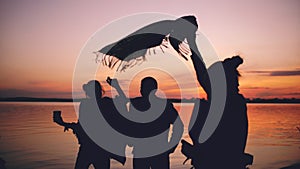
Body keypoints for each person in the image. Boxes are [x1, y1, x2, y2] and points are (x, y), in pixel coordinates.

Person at [107, 76, 184, 169]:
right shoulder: (137, 104)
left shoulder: (163, 106)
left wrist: (171, 147)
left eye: (143, 87)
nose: (141, 90)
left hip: (154, 152)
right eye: (141, 87)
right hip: (143, 152)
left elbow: (179, 126)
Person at [53, 80, 126, 169]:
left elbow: (123, 101)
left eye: (96, 90)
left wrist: (64, 124)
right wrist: (64, 124)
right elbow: (81, 126)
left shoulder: (105, 103)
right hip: (91, 147)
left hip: (96, 149)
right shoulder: (88, 104)